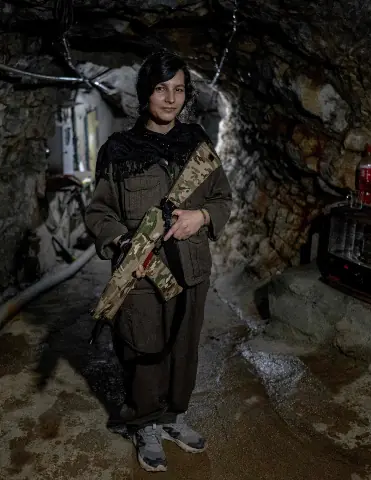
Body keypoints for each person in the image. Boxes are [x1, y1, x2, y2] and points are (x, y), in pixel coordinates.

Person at [85, 50, 232, 472]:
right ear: (145, 92)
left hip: (190, 268)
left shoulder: (198, 145)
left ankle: (172, 417)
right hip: (143, 272)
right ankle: (145, 422)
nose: (170, 99)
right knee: (143, 349)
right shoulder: (118, 150)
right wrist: (121, 241)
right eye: (161, 89)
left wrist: (201, 216)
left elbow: (223, 198)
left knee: (184, 349)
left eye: (179, 90)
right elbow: (98, 212)